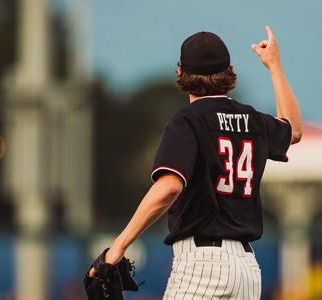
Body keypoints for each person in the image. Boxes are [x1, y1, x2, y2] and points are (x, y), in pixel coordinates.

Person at [89, 25, 302, 299]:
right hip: (247, 271)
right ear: (230, 72)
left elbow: (169, 187)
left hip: (201, 264)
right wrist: (274, 66)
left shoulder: (188, 120)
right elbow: (293, 130)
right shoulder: (253, 120)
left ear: (180, 73)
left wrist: (119, 245)